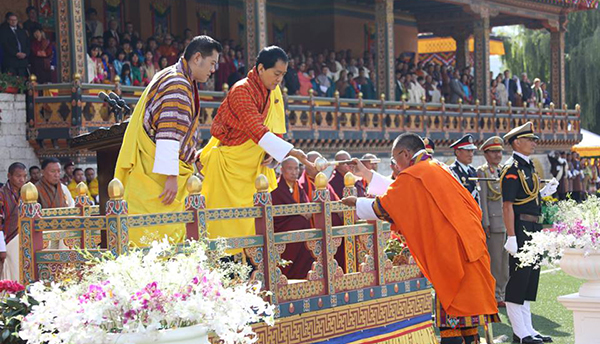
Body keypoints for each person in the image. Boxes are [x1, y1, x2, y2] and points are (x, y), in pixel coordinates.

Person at [342, 133, 499, 344]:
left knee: (454, 314)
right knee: (468, 321)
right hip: (468, 246)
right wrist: (366, 174)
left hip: (451, 253)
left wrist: (357, 203)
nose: (395, 165)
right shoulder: (437, 168)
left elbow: (387, 205)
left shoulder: (415, 174)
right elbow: (403, 194)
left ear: (405, 154)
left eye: (395, 158)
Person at [114, 35, 222, 247]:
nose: (213, 70)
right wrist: (171, 176)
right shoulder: (178, 84)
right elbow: (169, 132)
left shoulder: (171, 75)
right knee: (161, 236)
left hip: (157, 166)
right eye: (212, 63)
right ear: (197, 57)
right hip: (161, 175)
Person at [200, 46, 309, 250]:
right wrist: (292, 152)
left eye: (283, 75)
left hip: (253, 169)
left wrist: (273, 154)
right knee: (227, 226)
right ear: (260, 68)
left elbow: (275, 128)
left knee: (253, 225)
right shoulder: (242, 90)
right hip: (229, 168)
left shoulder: (272, 93)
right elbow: (256, 128)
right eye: (276, 74)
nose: (279, 80)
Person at [501, 122, 557, 344]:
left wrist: (543, 192)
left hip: (533, 228)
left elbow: (528, 199)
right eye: (530, 139)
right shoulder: (512, 169)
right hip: (521, 229)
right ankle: (521, 334)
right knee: (518, 281)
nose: (534, 143)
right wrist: (512, 236)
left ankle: (528, 330)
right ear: (517, 142)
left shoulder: (528, 167)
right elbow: (507, 206)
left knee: (529, 280)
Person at [476, 136, 509, 308]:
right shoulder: (482, 172)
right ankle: (495, 295)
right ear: (486, 154)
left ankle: (503, 291)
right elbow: (483, 200)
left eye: (500, 152)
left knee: (505, 262)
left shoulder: (504, 170)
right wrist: (485, 223)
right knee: (495, 262)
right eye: (494, 152)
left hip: (506, 223)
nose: (497, 155)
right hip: (494, 224)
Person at [271, 157, 313, 279]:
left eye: (296, 168)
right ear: (282, 169)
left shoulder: (298, 187)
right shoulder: (276, 188)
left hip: (300, 232)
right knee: (299, 222)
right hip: (283, 229)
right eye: (290, 168)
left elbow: (306, 205)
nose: (294, 172)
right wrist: (299, 212)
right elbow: (276, 214)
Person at [0, 162, 27, 280]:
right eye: (18, 176)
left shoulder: (27, 194)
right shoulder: (2, 194)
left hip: (25, 241)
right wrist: (1, 248)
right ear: (9, 176)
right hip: (8, 241)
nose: (22, 180)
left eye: (24, 176)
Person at [449, 134, 479, 203]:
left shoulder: (472, 171)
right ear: (457, 152)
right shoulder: (452, 171)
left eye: (472, 151)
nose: (471, 154)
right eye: (468, 151)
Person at [0, 12, 30, 77]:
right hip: (11, 61)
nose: (13, 22)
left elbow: (28, 44)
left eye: (15, 20)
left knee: (23, 81)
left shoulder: (22, 31)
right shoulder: (4, 31)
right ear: (8, 21)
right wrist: (15, 53)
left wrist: (25, 54)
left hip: (22, 62)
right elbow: (5, 45)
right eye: (11, 20)